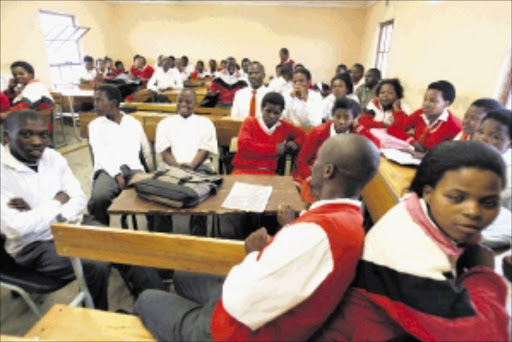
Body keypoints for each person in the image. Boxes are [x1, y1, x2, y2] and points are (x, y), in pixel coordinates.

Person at [134, 133, 381, 341]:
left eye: (317, 159)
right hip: (263, 305)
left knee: (147, 299)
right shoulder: (349, 219)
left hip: (240, 329)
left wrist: (252, 255)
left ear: (328, 171)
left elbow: (241, 300)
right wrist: (290, 228)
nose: (312, 164)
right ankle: (185, 315)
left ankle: (185, 326)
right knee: (183, 275)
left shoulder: (318, 233)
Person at [313, 140, 510, 341]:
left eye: (488, 203)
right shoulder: (409, 251)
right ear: (428, 192)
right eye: (456, 198)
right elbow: (485, 336)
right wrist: (483, 272)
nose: (473, 212)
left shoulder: (418, 210)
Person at [154, 88, 218, 235]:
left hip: (199, 166)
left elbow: (204, 150)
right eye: (180, 101)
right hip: (171, 166)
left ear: (195, 103)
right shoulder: (164, 123)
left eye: (188, 101)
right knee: (161, 194)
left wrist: (191, 166)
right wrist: (178, 169)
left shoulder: (205, 123)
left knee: (198, 195)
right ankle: (162, 237)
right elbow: (165, 152)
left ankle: (197, 237)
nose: (183, 104)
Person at [87, 86, 152, 226]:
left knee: (156, 195)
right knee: (100, 198)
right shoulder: (94, 125)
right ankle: (102, 235)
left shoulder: (133, 123)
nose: (94, 104)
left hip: (134, 169)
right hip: (107, 170)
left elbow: (146, 150)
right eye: (94, 100)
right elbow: (100, 153)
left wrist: (150, 174)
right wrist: (116, 174)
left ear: (113, 102)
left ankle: (156, 234)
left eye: (99, 100)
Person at [296, 97, 380, 203]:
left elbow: (375, 145)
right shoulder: (318, 132)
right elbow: (302, 161)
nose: (341, 121)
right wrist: (311, 182)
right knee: (313, 206)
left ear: (353, 119)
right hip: (316, 178)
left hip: (342, 182)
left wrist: (358, 127)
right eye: (338, 117)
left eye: (346, 118)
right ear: (332, 116)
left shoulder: (355, 133)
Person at [232, 92, 304, 175]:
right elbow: (244, 147)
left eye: (276, 113)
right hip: (243, 169)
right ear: (261, 109)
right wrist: (275, 149)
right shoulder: (250, 122)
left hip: (269, 172)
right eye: (268, 111)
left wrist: (296, 143)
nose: (272, 116)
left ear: (281, 113)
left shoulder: (284, 126)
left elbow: (302, 134)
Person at [387, 80, 462, 152]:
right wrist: (412, 141)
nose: (425, 104)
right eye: (425, 100)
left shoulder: (455, 126)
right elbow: (394, 128)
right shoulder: (420, 113)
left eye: (432, 101)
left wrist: (426, 154)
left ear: (446, 104)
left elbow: (453, 155)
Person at [473, 109, 511, 211]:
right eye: (480, 132)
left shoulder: (507, 174)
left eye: (495, 137)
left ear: (510, 144)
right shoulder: (472, 155)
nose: (482, 139)